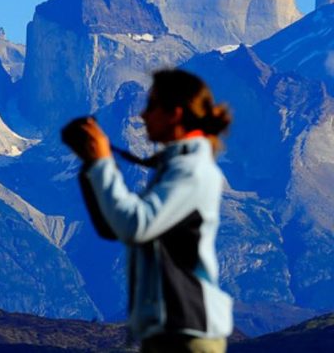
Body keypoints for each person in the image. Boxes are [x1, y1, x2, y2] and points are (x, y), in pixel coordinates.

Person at [62, 69, 233, 353]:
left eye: (151, 106)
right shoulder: (175, 167)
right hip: (173, 330)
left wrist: (103, 163)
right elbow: (114, 228)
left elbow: (136, 225)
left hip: (187, 331)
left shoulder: (192, 171)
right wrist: (91, 165)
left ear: (175, 114)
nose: (142, 116)